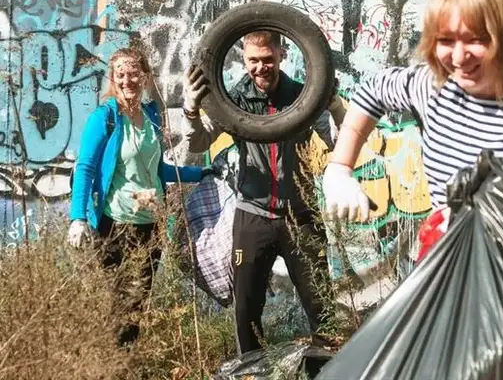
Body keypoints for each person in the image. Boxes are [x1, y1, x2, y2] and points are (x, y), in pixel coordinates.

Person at [321, 0, 503, 375]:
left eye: (477, 40)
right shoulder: (433, 89)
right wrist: (339, 166)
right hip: (441, 281)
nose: (459, 57)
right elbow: (372, 91)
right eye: (446, 40)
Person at [182, 30, 345, 354]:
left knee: (322, 309)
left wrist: (335, 104)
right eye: (253, 60)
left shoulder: (304, 95)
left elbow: (337, 145)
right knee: (246, 314)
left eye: (267, 59)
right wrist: (191, 110)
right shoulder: (231, 100)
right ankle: (251, 375)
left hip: (301, 215)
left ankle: (328, 372)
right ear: (243, 58)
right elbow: (199, 144)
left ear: (282, 54)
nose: (260, 67)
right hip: (253, 216)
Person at [69, 44, 205, 347]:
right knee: (118, 306)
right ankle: (111, 365)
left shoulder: (150, 114)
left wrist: (202, 174)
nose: (127, 80)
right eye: (121, 75)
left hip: (150, 226)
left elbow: (158, 169)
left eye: (134, 73)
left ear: (145, 77)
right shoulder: (104, 118)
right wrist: (78, 217)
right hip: (116, 227)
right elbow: (85, 167)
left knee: (138, 305)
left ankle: (127, 364)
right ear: (113, 78)